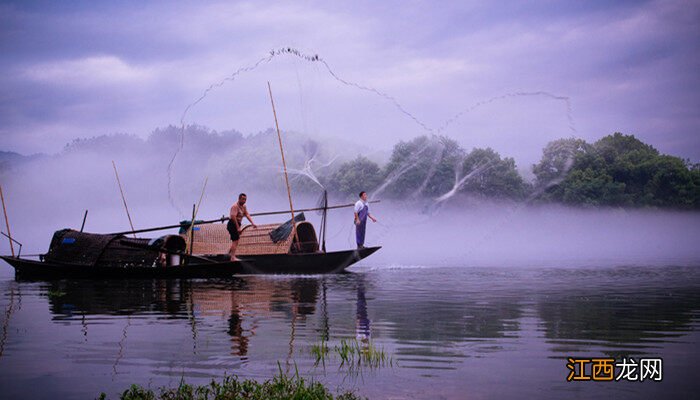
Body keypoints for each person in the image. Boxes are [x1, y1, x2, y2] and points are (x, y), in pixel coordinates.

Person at [228, 193, 257, 261]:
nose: (244, 201)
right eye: (243, 199)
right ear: (239, 199)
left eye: (245, 199)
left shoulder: (244, 206)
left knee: (235, 240)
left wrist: (252, 223)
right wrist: (238, 228)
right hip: (232, 224)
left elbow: (247, 214)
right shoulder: (235, 206)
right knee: (235, 240)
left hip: (238, 224)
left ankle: (229, 253)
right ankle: (232, 257)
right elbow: (233, 217)